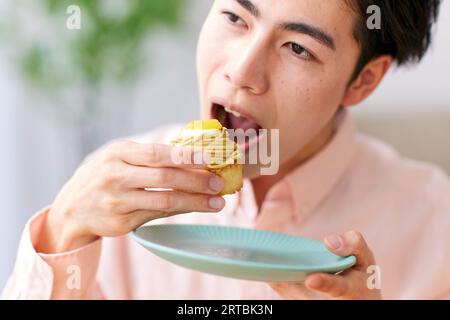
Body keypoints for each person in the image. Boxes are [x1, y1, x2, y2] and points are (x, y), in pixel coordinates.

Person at [3, 0, 449, 299]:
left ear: (363, 80)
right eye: (236, 18)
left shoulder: (436, 228)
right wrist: (63, 231)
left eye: (297, 47)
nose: (241, 71)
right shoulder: (113, 193)